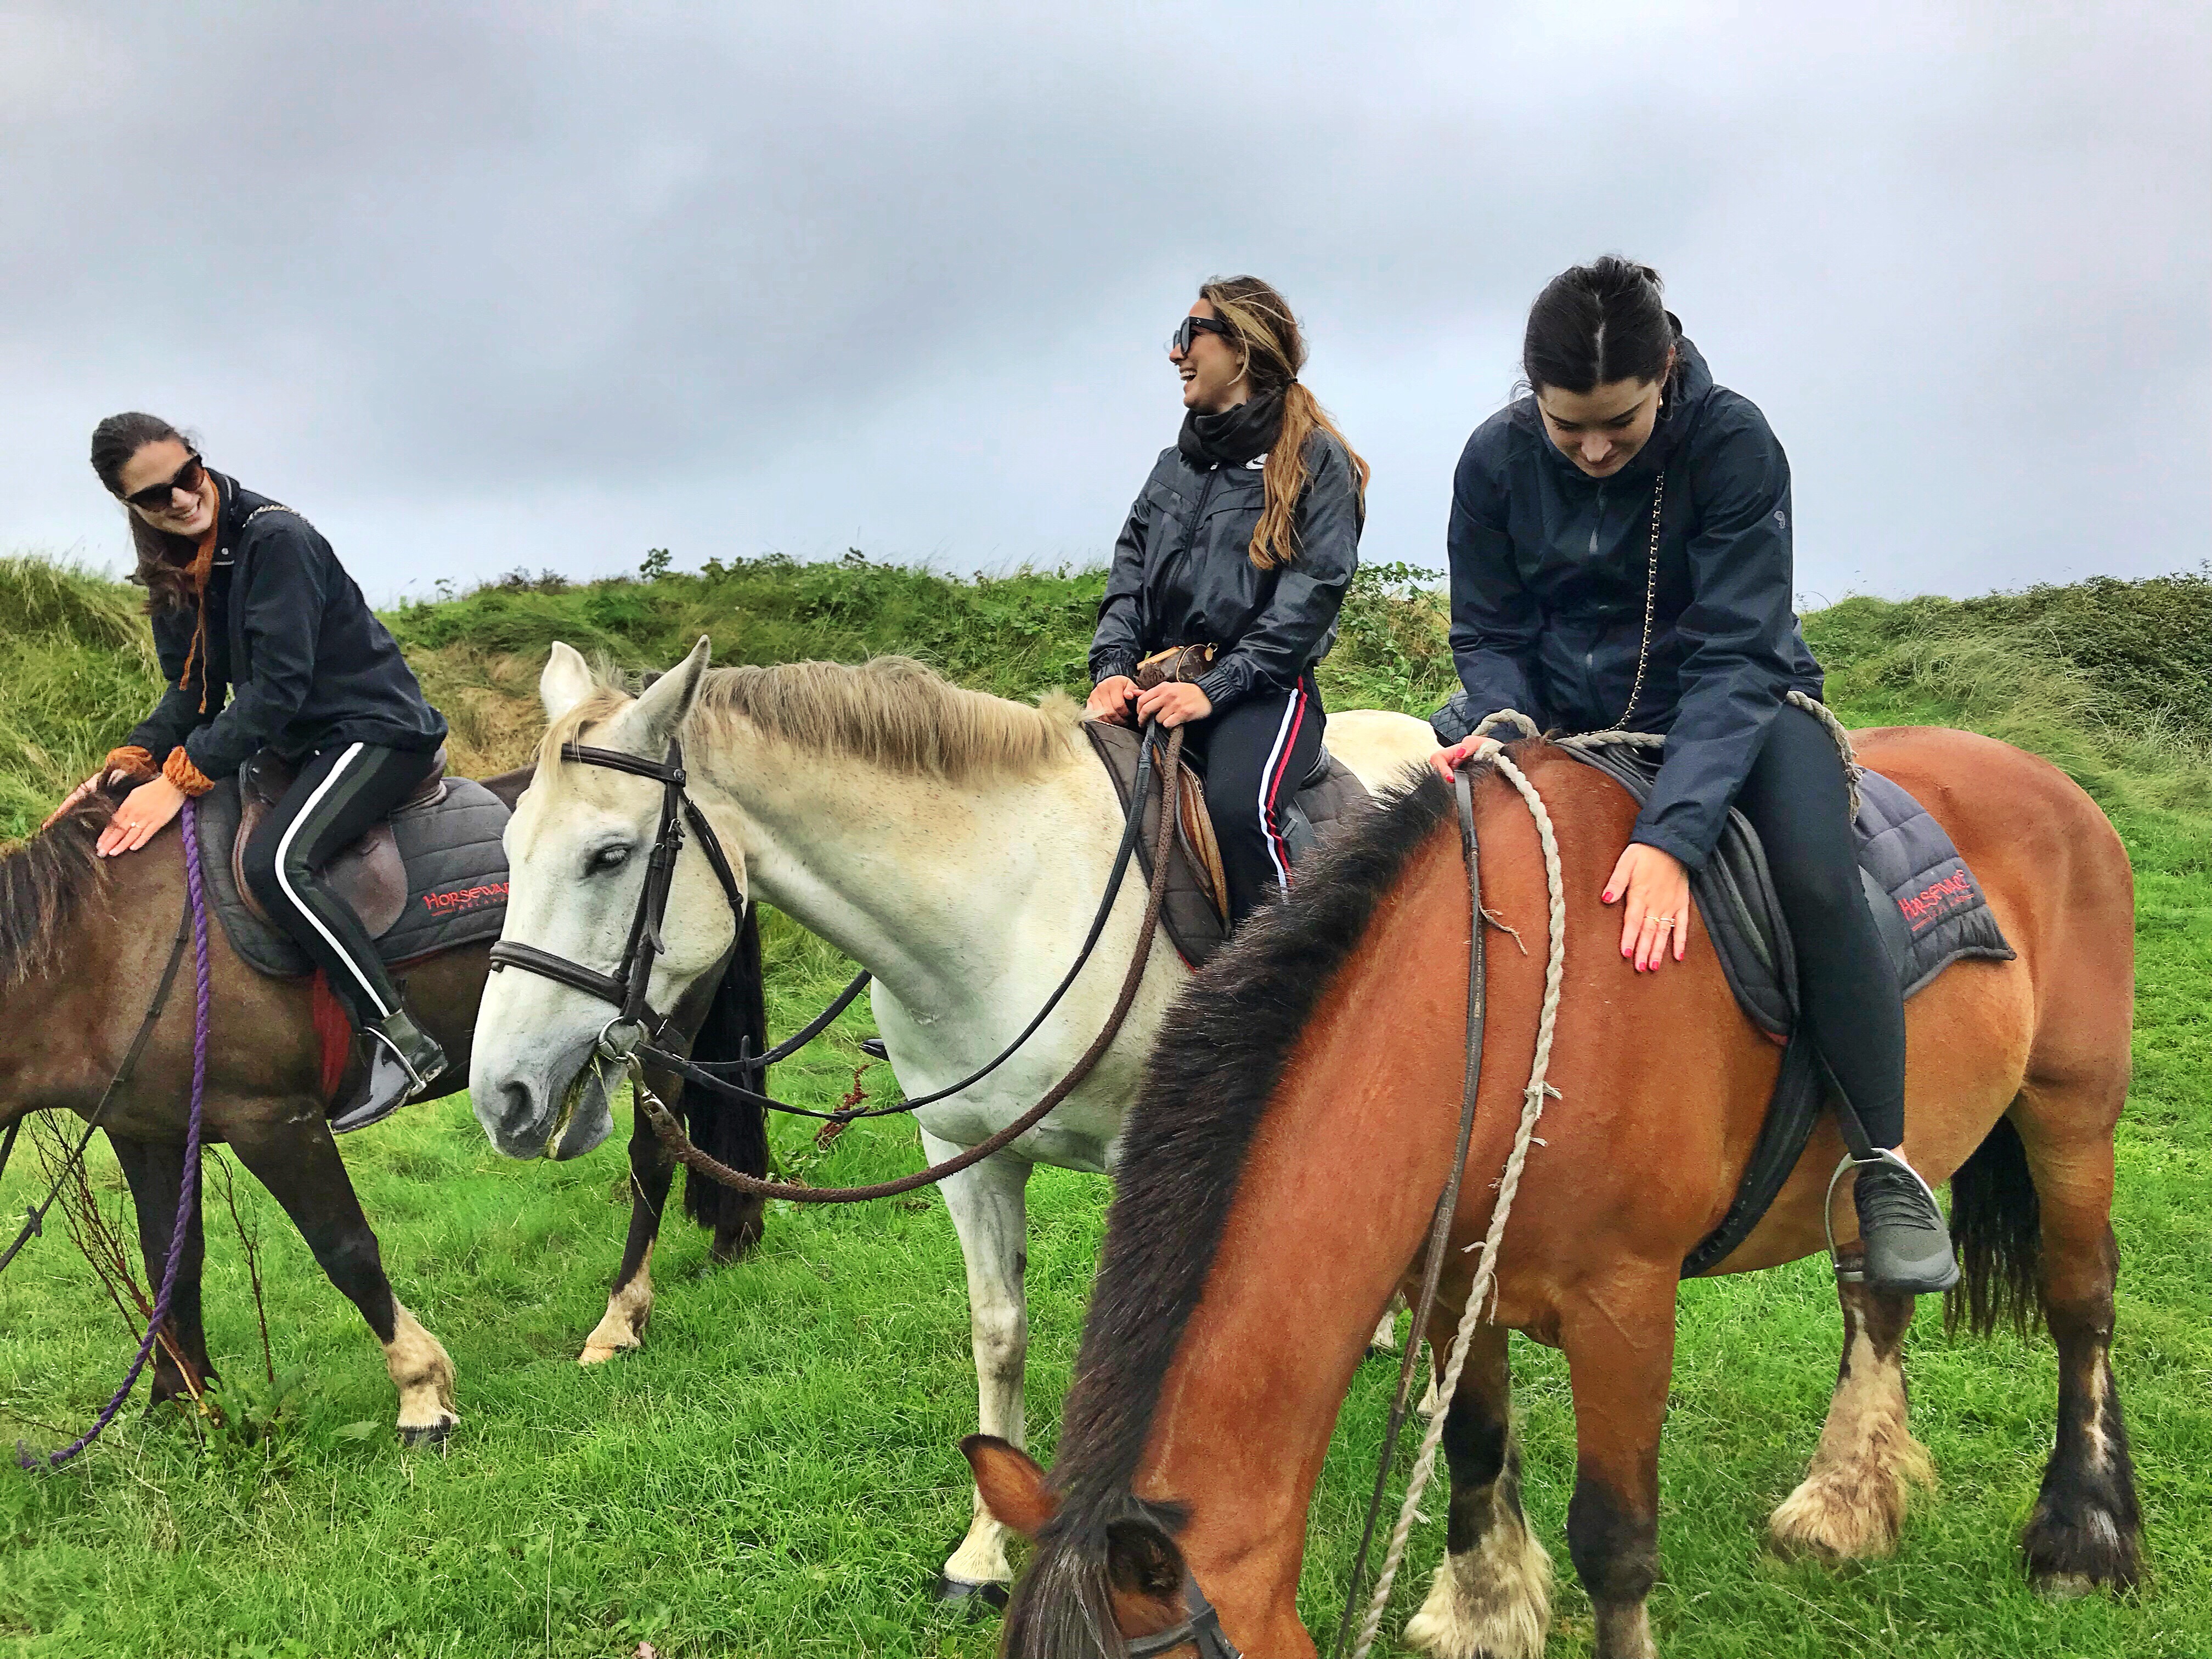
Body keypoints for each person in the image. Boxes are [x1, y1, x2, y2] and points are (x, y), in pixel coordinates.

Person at [1428, 258, 1957, 1295]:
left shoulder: (1733, 442)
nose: (1589, 449)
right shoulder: (1491, 458)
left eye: (1617, 424)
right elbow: (1486, 626)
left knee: (1813, 876)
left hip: (1737, 709)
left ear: (1664, 371)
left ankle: (1884, 1164)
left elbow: (1735, 653)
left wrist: (1671, 838)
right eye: (1565, 424)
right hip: (1554, 721)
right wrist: (1512, 725)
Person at [66, 413, 451, 1132]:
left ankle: (402, 1043)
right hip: (295, 743)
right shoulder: (175, 562)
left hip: (373, 731)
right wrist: (125, 768)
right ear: (131, 506)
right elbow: (194, 694)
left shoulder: (277, 540)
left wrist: (179, 782)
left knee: (277, 864)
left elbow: (279, 689)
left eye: (188, 473)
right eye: (156, 495)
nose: (181, 497)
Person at [1086, 276, 1368, 926]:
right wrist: (1111, 674)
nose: (1175, 354)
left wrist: (1218, 686)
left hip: (1267, 691)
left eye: (1189, 336)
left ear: (1241, 348)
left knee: (1243, 811)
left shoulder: (1318, 463)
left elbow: (1312, 596)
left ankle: (1287, 997)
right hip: (1160, 680)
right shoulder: (1170, 468)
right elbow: (1128, 578)